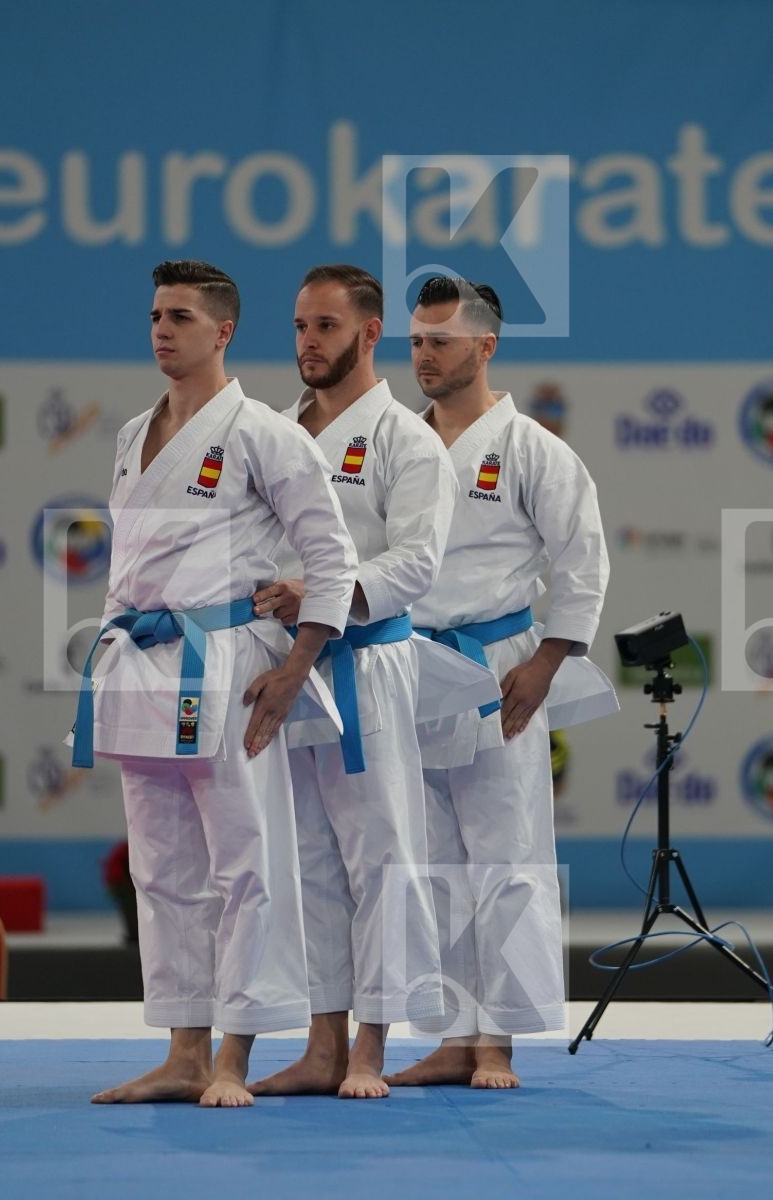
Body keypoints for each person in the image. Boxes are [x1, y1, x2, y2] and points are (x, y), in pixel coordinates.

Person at [80, 259, 359, 1108]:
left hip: (228, 664)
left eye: (181, 318)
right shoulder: (134, 433)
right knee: (160, 867)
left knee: (246, 863)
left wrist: (295, 666)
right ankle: (183, 1050)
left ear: (224, 331)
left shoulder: (263, 433)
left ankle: (236, 1053)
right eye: (156, 315)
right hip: (141, 660)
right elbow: (127, 569)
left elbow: (332, 558)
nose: (163, 330)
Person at [249, 264, 498, 1100]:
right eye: (298, 326)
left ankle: (371, 1047)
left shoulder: (407, 439)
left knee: (382, 854)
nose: (307, 343)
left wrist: (322, 596)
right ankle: (320, 1043)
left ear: (367, 333)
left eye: (324, 326)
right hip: (287, 668)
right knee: (308, 859)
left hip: (369, 664)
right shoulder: (275, 431)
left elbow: (417, 563)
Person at [386, 277, 618, 1091]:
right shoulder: (392, 446)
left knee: (505, 853)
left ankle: (498, 1042)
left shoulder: (534, 451)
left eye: (440, 341)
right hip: (407, 666)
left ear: (486, 346)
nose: (423, 356)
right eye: (415, 340)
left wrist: (549, 660)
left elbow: (581, 562)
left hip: (496, 668)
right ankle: (451, 1035)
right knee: (429, 860)